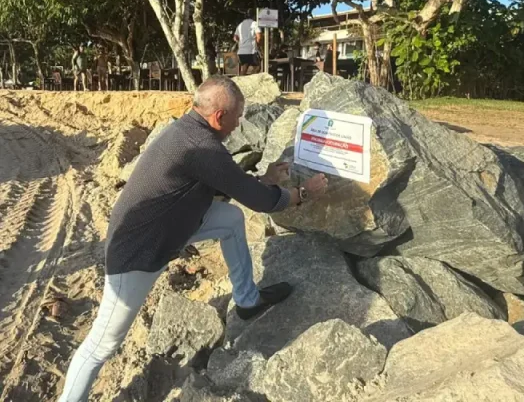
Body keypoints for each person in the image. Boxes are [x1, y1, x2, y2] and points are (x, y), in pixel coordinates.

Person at [58, 76, 328, 402]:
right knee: (102, 344)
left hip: (172, 225)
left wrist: (266, 179)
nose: (240, 123)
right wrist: (302, 193)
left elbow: (227, 183)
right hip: (138, 251)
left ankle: (246, 300)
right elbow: (259, 200)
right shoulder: (203, 147)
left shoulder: (190, 131)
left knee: (229, 219)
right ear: (219, 117)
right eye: (238, 116)